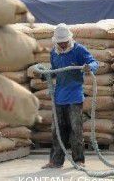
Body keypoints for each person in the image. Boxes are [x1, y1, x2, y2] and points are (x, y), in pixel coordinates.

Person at [36, 23, 99, 169]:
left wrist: (90, 67)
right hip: (59, 97)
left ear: (69, 39)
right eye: (60, 42)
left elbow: (93, 62)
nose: (63, 45)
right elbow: (54, 71)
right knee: (57, 129)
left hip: (75, 97)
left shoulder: (78, 50)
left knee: (76, 129)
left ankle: (79, 160)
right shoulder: (54, 53)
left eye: (65, 42)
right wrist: (44, 75)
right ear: (56, 41)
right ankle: (56, 161)